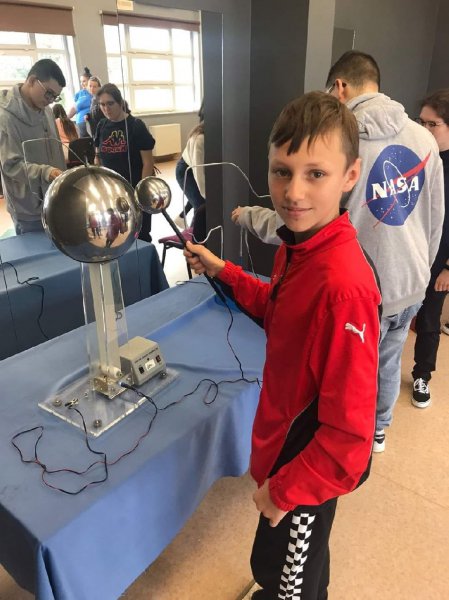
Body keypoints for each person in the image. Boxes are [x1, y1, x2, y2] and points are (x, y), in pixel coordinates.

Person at [184, 91, 381, 600]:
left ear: (350, 176)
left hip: (304, 463)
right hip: (282, 444)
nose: (293, 192)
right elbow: (280, 311)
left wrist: (285, 490)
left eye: (315, 174)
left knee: (285, 577)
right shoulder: (299, 247)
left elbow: (350, 440)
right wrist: (223, 270)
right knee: (298, 563)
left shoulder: (344, 287)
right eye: (281, 171)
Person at [232, 51, 445, 453]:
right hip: (411, 282)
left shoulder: (338, 143)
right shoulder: (423, 139)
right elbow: (436, 218)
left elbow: (302, 221)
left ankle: (338, 451)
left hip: (356, 294)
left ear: (340, 87)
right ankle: (377, 432)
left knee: (338, 390)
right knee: (386, 364)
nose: (297, 188)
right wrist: (423, 272)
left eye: (315, 174)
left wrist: (247, 217)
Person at [411, 89, 449, 407]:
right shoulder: (419, 159)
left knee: (428, 321)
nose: (424, 130)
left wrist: (448, 268)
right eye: (421, 122)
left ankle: (422, 375)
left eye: (432, 124)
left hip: (440, 261)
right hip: (411, 254)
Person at [0, 58, 66, 234]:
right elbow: (11, 166)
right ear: (31, 81)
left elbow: (56, 151)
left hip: (53, 201)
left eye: (55, 96)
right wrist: (46, 172)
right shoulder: (5, 117)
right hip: (28, 209)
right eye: (48, 93)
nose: (51, 100)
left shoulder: (47, 110)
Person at [94, 83, 156, 242]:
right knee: (117, 235)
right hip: (112, 192)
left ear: (120, 103)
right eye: (102, 104)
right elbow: (98, 156)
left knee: (140, 235)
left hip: (134, 189)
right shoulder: (101, 125)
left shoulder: (136, 126)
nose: (106, 109)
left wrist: (140, 194)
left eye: (110, 103)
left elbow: (148, 163)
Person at [175, 121, 205, 228]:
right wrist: (207, 195)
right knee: (201, 206)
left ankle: (181, 217)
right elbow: (198, 170)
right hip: (186, 172)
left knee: (197, 197)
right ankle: (193, 236)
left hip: (195, 167)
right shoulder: (200, 139)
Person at [67, 67, 93, 137]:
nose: (82, 83)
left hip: (90, 124)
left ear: (89, 81)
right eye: (81, 81)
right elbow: (74, 108)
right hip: (80, 125)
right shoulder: (79, 94)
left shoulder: (93, 93)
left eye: (84, 81)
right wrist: (65, 119)